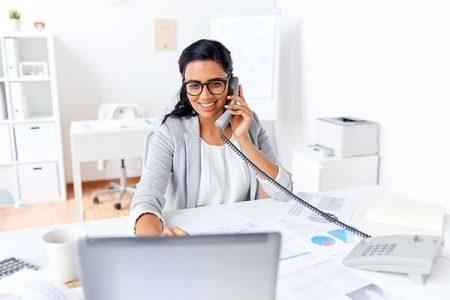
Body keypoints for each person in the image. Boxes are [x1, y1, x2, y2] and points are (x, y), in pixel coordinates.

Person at [131, 39, 292, 236]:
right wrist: (154, 239)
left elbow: (284, 193)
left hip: (241, 236)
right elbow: (147, 198)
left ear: (232, 84)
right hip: (191, 237)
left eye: (215, 84)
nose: (205, 96)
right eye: (195, 85)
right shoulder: (171, 132)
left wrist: (243, 139)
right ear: (185, 86)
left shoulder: (250, 123)